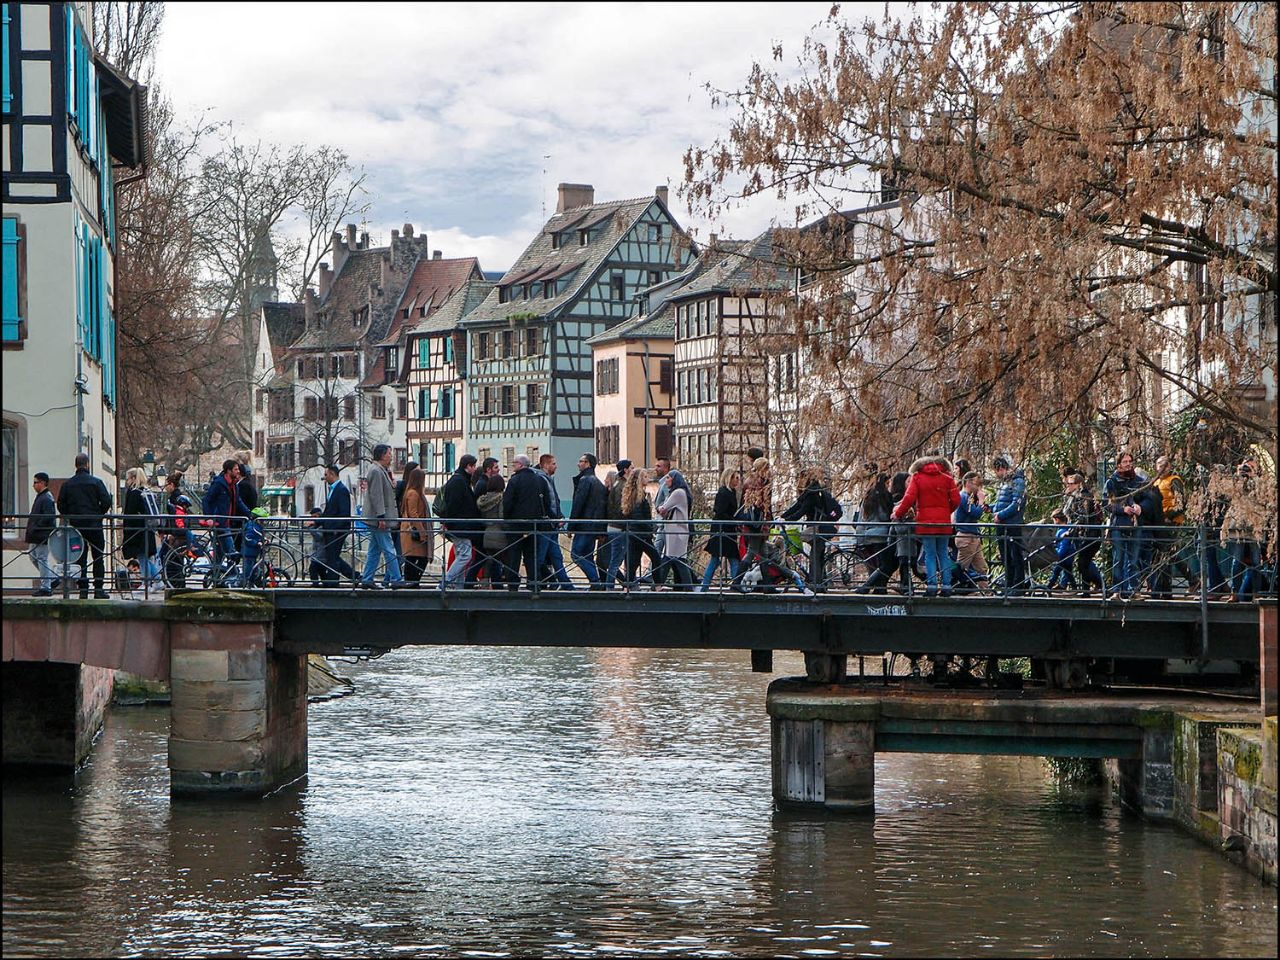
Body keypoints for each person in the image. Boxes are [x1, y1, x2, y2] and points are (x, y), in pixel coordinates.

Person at [892, 454, 960, 597]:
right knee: (943, 553)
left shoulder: (917, 478)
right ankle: (947, 586)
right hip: (943, 523)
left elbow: (909, 498)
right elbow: (956, 500)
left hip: (925, 522)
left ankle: (932, 586)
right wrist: (946, 512)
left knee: (929, 554)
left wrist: (898, 513)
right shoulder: (947, 478)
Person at [56, 453, 113, 598]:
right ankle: (99, 589)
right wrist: (99, 514)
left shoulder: (68, 484)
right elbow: (106, 501)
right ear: (87, 464)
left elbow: (61, 505)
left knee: (80, 558)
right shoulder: (96, 482)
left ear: (76, 465)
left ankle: (83, 590)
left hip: (76, 527)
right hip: (94, 525)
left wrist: (71, 516)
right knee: (98, 556)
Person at [781, 467, 844, 589]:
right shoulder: (812, 493)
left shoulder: (812, 495)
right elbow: (796, 506)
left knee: (815, 555)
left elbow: (801, 511)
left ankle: (816, 584)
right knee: (817, 554)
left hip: (820, 528)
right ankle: (819, 581)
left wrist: (786, 520)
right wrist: (782, 517)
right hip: (822, 527)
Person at [1103, 452, 1147, 599]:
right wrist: (1122, 510)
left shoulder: (1139, 481)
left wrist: (1140, 507)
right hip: (1119, 524)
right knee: (1118, 558)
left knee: (1134, 559)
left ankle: (1134, 590)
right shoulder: (1111, 482)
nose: (1128, 463)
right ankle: (1117, 591)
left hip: (1135, 524)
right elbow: (1106, 504)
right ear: (1119, 464)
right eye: (1125, 461)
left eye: (1130, 461)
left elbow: (1148, 499)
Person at [502, 454, 548, 590]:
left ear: (521, 465)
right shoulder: (540, 480)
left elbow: (507, 502)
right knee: (531, 555)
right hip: (534, 524)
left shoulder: (514, 481)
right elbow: (546, 501)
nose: (512, 465)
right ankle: (533, 583)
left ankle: (513, 585)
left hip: (516, 525)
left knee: (514, 556)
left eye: (514, 463)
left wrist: (507, 519)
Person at [202, 458, 253, 578]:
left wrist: (250, 514)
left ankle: (214, 577)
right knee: (231, 551)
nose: (238, 472)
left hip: (227, 522)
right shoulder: (219, 484)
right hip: (220, 523)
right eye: (235, 469)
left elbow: (238, 502)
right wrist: (208, 517)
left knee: (219, 554)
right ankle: (235, 578)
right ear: (228, 471)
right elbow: (206, 500)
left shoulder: (234, 485)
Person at [361, 444, 404, 588]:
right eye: (389, 453)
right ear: (382, 455)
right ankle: (396, 579)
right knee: (389, 548)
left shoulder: (380, 470)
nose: (391, 456)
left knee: (375, 549)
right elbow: (376, 495)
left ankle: (367, 578)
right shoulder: (376, 471)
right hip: (380, 519)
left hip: (379, 518)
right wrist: (381, 517)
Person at [1150, 455, 1191, 598]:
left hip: (1171, 522)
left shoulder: (1174, 481)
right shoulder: (1156, 482)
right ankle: (1163, 589)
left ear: (1169, 467)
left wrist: (1169, 516)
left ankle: (1190, 581)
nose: (1160, 468)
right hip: (1159, 522)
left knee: (1169, 553)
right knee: (1164, 554)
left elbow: (1181, 503)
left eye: (1163, 465)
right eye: (1158, 465)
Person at [1221, 459, 1261, 603]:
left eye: (1249, 467)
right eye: (1245, 467)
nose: (1246, 470)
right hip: (1237, 524)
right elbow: (1228, 493)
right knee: (1236, 561)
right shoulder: (1236, 482)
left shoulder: (1259, 482)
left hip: (1254, 524)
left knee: (1256, 561)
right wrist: (1237, 475)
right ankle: (1235, 593)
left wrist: (1253, 476)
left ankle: (1257, 593)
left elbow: (1262, 497)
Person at [439, 454, 481, 588]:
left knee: (461, 555)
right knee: (465, 556)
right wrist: (449, 522)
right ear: (468, 466)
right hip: (460, 526)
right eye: (473, 466)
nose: (475, 469)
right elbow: (453, 505)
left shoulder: (459, 479)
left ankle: (458, 587)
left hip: (459, 525)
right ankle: (446, 582)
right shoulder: (459, 481)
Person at [1060, 470, 1104, 595]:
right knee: (1084, 563)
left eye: (1071, 483)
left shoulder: (1084, 496)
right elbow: (1067, 512)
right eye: (1068, 483)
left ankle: (1089, 589)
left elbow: (1082, 517)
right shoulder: (1073, 496)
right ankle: (1093, 588)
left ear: (1079, 484)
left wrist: (1070, 530)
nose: (1068, 486)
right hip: (1082, 535)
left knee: (1083, 563)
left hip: (1090, 535)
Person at [988, 456, 1028, 595]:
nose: (996, 475)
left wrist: (1000, 515)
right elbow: (1003, 503)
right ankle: (1009, 584)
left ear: (1001, 469)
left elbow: (1016, 504)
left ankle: (1018, 586)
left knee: (1015, 555)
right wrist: (991, 508)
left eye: (996, 471)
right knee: (1006, 557)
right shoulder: (1005, 483)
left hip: (1012, 524)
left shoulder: (1017, 482)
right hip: (1003, 526)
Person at [533, 454, 573, 589]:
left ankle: (564, 583)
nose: (556, 466)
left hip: (552, 524)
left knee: (556, 555)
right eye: (553, 464)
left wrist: (558, 516)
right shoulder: (541, 479)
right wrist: (554, 517)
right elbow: (548, 502)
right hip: (547, 525)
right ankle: (537, 582)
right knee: (541, 556)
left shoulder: (547, 479)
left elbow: (554, 500)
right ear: (545, 465)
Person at [700, 468, 743, 591]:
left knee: (728, 558)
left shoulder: (731, 492)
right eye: (736, 478)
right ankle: (735, 585)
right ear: (729, 478)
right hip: (722, 530)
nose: (737, 481)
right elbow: (719, 512)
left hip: (727, 529)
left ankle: (706, 586)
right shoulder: (723, 493)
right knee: (725, 558)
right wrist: (733, 520)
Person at [569, 453, 608, 587]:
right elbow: (603, 508)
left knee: (576, 554)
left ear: (588, 464)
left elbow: (578, 504)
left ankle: (595, 581)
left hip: (584, 525)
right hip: (595, 526)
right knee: (588, 555)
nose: (578, 464)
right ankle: (595, 583)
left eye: (581, 461)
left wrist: (571, 526)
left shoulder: (585, 480)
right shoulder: (598, 482)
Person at [854, 472, 896, 594]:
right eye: (888, 483)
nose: (889, 486)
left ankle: (880, 589)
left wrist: (859, 536)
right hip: (881, 535)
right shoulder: (884, 496)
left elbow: (861, 518)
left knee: (878, 565)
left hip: (868, 534)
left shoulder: (868, 496)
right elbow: (883, 516)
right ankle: (867, 588)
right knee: (886, 565)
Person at [122, 467, 162, 589]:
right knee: (145, 557)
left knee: (142, 557)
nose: (126, 481)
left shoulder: (134, 493)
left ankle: (149, 582)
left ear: (133, 478)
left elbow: (129, 513)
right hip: (147, 528)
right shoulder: (145, 491)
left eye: (127, 478)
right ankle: (155, 581)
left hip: (137, 531)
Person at [622, 467, 663, 585]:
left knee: (633, 563)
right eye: (645, 477)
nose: (648, 479)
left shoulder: (631, 495)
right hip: (641, 534)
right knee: (656, 558)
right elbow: (639, 518)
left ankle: (627, 587)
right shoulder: (639, 498)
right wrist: (651, 528)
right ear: (639, 480)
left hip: (634, 533)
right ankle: (658, 586)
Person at [655, 469, 695, 589]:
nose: (665, 481)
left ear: (674, 479)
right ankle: (663, 585)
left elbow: (663, 508)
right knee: (674, 559)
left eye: (668, 478)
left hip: (676, 532)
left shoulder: (677, 493)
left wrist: (660, 509)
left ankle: (659, 584)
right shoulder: (680, 492)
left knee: (673, 559)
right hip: (676, 531)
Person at [319, 465, 358, 585]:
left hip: (336, 530)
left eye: (326, 475)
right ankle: (353, 576)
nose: (325, 478)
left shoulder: (341, 490)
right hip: (332, 529)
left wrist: (335, 528)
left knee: (332, 557)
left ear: (332, 474)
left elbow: (343, 513)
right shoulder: (334, 489)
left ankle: (333, 582)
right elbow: (328, 513)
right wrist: (317, 522)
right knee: (333, 556)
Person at [953, 471, 989, 589]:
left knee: (981, 567)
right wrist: (981, 500)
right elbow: (976, 513)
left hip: (974, 536)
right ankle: (956, 587)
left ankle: (985, 590)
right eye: (976, 484)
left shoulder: (969, 498)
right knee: (962, 566)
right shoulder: (963, 497)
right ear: (968, 483)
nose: (978, 487)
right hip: (966, 537)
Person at [399, 466, 435, 585]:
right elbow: (413, 514)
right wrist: (422, 532)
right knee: (416, 558)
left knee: (415, 558)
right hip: (413, 533)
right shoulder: (413, 494)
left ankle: (412, 581)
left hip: (412, 531)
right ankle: (412, 582)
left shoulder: (411, 492)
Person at [26, 472, 59, 596]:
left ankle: (46, 587)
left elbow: (48, 516)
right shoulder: (42, 496)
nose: (33, 485)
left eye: (35, 482)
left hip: (41, 534)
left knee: (41, 558)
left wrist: (36, 526)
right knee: (34, 557)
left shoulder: (46, 497)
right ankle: (52, 579)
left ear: (42, 483)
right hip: (37, 533)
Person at [475, 470, 509, 585]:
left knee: (489, 559)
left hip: (487, 533)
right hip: (499, 534)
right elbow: (501, 516)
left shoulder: (483, 500)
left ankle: (485, 582)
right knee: (505, 560)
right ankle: (509, 583)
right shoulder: (501, 498)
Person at [603, 460, 632, 588]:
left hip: (613, 525)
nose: (633, 470)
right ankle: (610, 587)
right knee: (616, 560)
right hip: (619, 526)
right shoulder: (623, 486)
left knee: (616, 558)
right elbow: (622, 508)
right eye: (631, 468)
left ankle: (622, 584)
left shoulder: (616, 484)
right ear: (625, 470)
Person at [1047, 510, 1077, 592]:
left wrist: (1058, 556)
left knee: (1056, 573)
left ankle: (1049, 587)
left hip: (1063, 556)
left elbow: (1064, 545)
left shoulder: (1062, 531)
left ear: (1057, 519)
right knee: (1068, 573)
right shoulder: (1068, 528)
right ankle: (1074, 588)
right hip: (1069, 555)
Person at [652, 456, 672, 554]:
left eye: (658, 466)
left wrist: (661, 510)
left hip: (664, 525)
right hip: (662, 524)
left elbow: (668, 503)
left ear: (666, 468)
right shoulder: (663, 483)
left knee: (656, 553)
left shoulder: (666, 484)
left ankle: (653, 569)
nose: (656, 468)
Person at [305, 507, 328, 586]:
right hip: (317, 554)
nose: (314, 519)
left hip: (321, 554)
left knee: (313, 569)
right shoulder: (317, 525)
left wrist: (310, 528)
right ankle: (323, 584)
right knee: (321, 571)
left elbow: (319, 537)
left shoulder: (322, 525)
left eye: (315, 517)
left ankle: (316, 584)